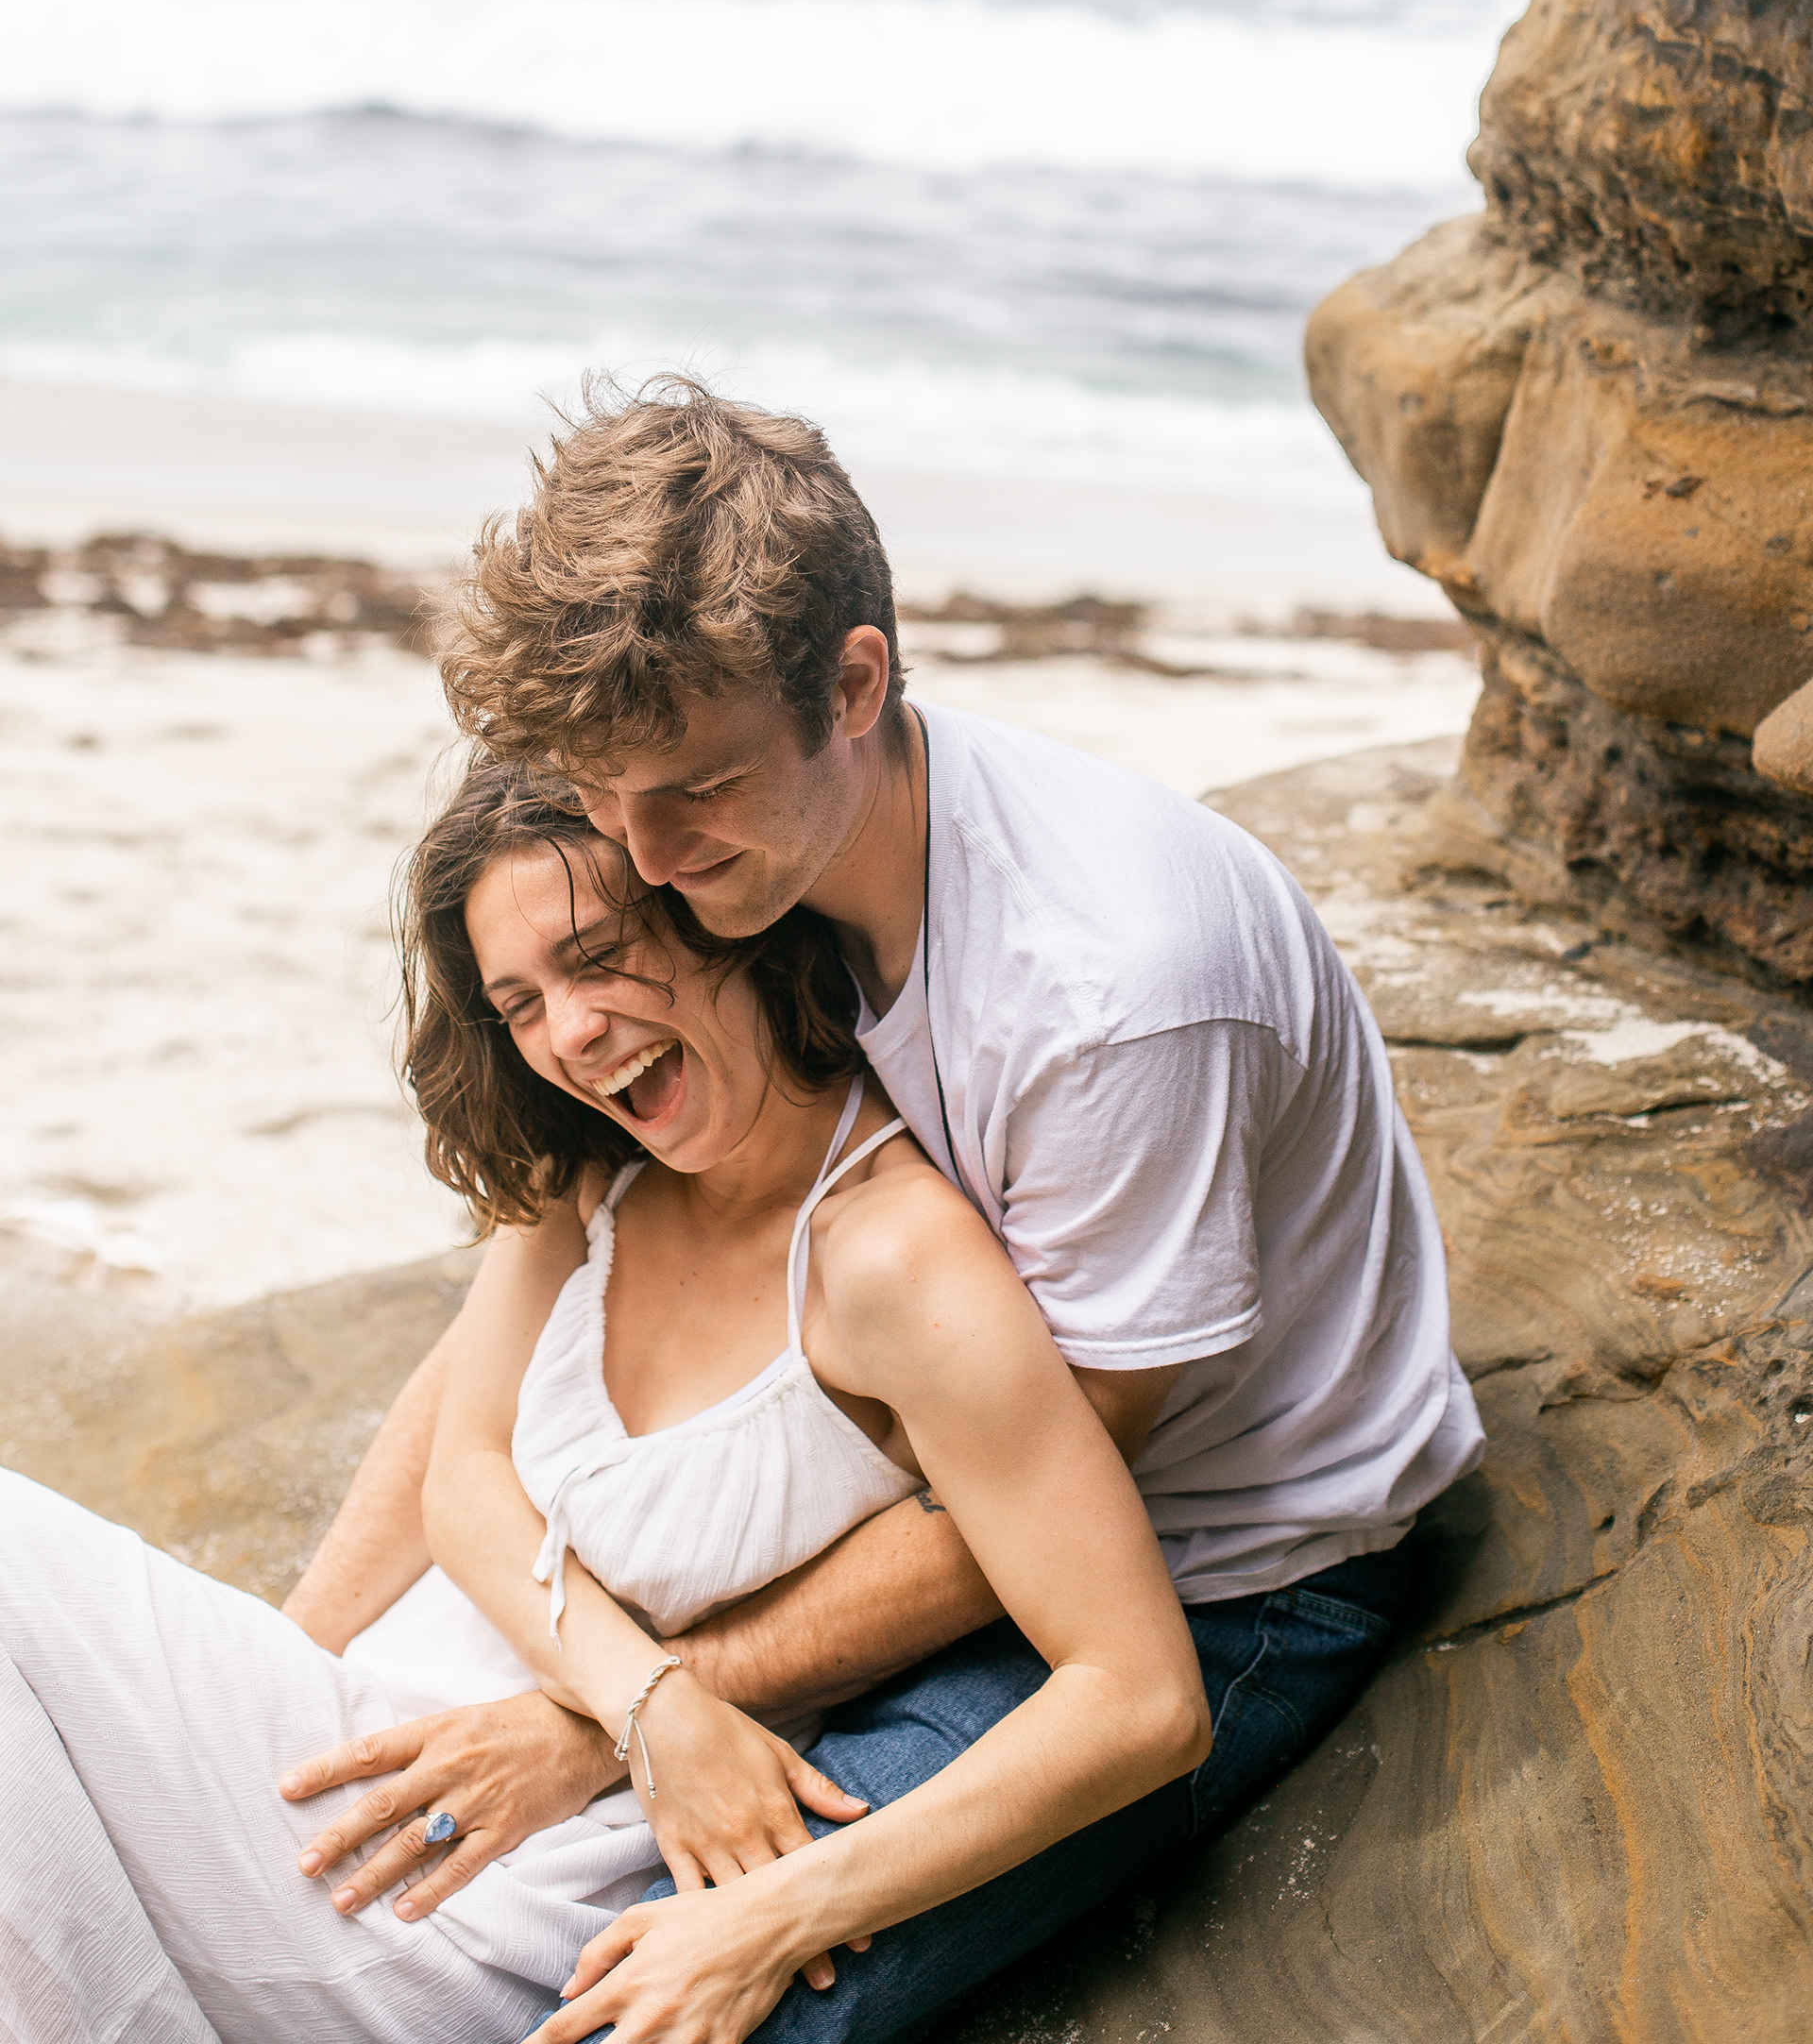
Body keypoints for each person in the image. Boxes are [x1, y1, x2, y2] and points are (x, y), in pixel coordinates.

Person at [281, 378, 1485, 2040]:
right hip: (951, 1477)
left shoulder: (1107, 999)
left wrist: (615, 1722)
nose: (640, 852)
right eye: (606, 791)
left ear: (855, 684)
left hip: (1215, 1566)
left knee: (673, 2007)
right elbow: (536, 1307)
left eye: (689, 788)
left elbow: (1050, 1523)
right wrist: (275, 1671)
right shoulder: (764, 862)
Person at [0, 760, 1211, 2044]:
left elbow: (1145, 1699)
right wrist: (646, 1705)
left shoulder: (892, 1261)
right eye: (520, 1003)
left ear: (722, 922)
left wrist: (761, 1885)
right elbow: (462, 1479)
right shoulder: (596, 1176)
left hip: (471, 1894)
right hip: (358, 1764)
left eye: (597, 958)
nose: (572, 1034)